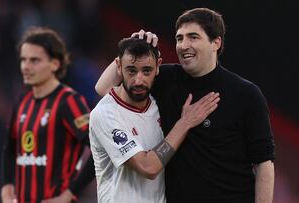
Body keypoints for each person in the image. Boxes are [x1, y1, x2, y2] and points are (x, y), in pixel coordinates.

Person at [95, 7, 275, 203]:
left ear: (216, 43)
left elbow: (263, 163)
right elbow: (104, 88)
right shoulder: (164, 79)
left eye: (193, 37)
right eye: (179, 38)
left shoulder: (246, 94)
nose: (183, 45)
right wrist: (133, 42)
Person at [88, 37, 219, 203]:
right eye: (131, 71)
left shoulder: (157, 103)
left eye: (147, 71)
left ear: (158, 66)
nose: (139, 80)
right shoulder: (106, 113)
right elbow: (148, 167)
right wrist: (185, 123)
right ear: (119, 66)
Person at [0, 27, 95, 203]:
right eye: (23, 60)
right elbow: (9, 149)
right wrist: (6, 189)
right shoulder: (22, 102)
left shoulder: (69, 102)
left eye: (34, 60)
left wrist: (69, 195)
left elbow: (99, 149)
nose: (26, 67)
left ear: (55, 64)